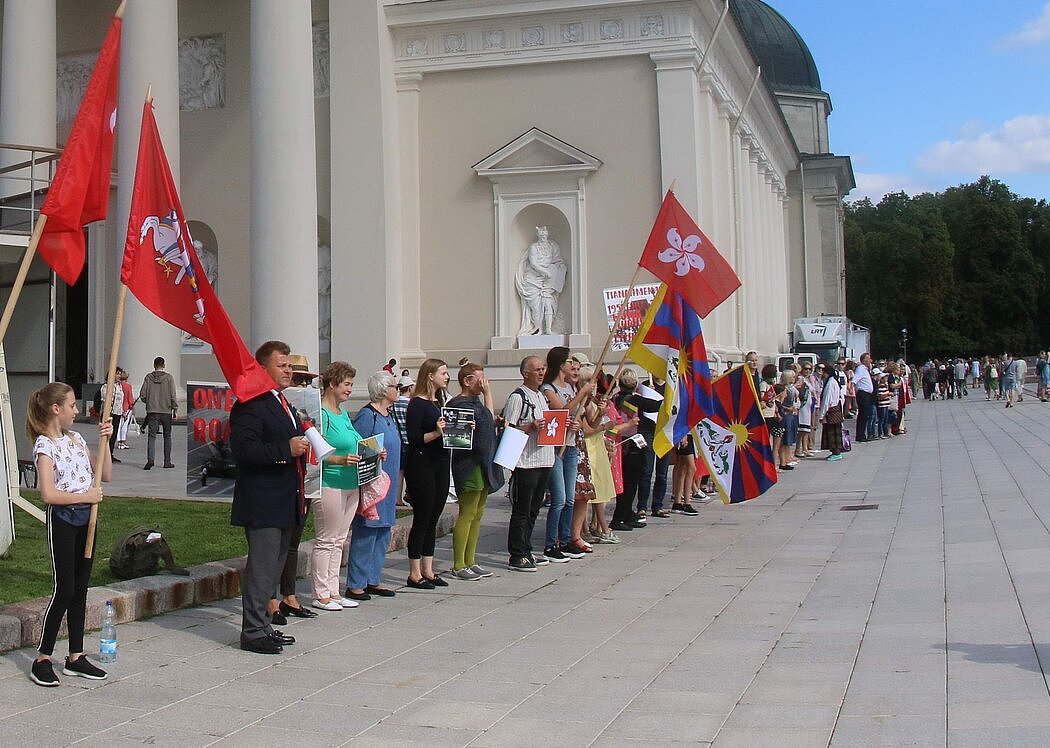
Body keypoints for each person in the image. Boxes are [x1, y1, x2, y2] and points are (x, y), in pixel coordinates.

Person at [26, 382, 113, 687]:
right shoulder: (44, 446)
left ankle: (76, 657)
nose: (77, 411)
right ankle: (42, 658)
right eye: (73, 406)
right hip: (63, 520)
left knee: (80, 589)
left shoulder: (76, 439)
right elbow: (48, 494)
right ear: (56, 409)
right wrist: (86, 497)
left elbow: (104, 475)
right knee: (64, 589)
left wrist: (105, 442)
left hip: (87, 522)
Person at [229, 340, 308, 654]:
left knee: (274, 568)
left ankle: (264, 625)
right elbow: (244, 450)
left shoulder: (281, 403)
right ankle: (252, 632)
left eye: (290, 366)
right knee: (262, 569)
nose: (289, 371)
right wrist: (284, 450)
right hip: (263, 501)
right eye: (282, 365)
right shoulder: (250, 403)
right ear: (262, 369)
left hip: (285, 499)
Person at [310, 361, 362, 611]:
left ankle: (334, 590)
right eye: (347, 384)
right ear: (332, 384)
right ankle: (321, 593)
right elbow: (313, 451)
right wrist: (339, 459)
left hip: (351, 481)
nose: (350, 389)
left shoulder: (342, 414)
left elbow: (355, 441)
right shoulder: (322, 414)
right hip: (330, 481)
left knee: (341, 539)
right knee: (326, 539)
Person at [445, 362, 504, 579]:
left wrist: (487, 395)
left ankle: (471, 559)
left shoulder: (476, 402)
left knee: (478, 513)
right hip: (468, 465)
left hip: (483, 463)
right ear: (467, 380)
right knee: (467, 512)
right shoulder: (458, 404)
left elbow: (488, 422)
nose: (483, 382)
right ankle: (459, 564)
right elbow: (457, 437)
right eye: (479, 378)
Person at [346, 370, 401, 600]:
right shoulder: (368, 416)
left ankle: (373, 578)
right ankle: (356, 583)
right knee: (367, 531)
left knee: (383, 530)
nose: (397, 390)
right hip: (373, 482)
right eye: (394, 386)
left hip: (389, 482)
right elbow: (360, 445)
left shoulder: (389, 415)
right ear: (383, 390)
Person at [539, 347, 593, 562]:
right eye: (570, 361)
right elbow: (562, 411)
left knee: (571, 498)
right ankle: (551, 544)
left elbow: (579, 416)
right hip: (555, 448)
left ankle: (566, 539)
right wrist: (580, 394)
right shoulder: (548, 389)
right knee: (559, 498)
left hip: (571, 446)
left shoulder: (570, 387)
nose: (573, 365)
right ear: (560, 363)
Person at [404, 358, 452, 589]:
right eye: (443, 372)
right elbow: (414, 439)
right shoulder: (417, 404)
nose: (447, 376)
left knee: (434, 517)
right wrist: (437, 432)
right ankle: (414, 573)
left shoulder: (439, 402)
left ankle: (428, 569)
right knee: (422, 517)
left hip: (441, 463)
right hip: (422, 464)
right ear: (430, 375)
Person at [504, 356, 554, 571]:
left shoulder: (541, 396)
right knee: (522, 509)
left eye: (543, 369)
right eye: (537, 369)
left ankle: (526, 547)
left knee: (534, 508)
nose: (541, 373)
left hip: (544, 458)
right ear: (525, 373)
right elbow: (508, 428)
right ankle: (517, 554)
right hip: (526, 461)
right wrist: (530, 426)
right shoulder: (518, 397)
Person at [516, 226, 567, 335]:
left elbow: (557, 261)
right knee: (536, 307)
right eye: (541, 235)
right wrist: (544, 271)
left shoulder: (552, 246)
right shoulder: (534, 247)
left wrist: (557, 271)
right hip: (532, 279)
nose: (543, 237)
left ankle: (548, 329)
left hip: (547, 281)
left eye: (545, 235)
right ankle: (538, 328)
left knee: (548, 304)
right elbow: (533, 263)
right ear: (538, 236)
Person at [140, 356, 177, 470]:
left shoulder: (148, 377)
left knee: (151, 437)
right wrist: (175, 408)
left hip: (152, 411)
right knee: (167, 436)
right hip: (166, 410)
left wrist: (149, 402)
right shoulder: (169, 378)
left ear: (154, 365)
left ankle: (150, 460)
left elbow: (142, 395)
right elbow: (173, 395)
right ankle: (167, 461)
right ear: (164, 365)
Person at [391, 374, 413, 506]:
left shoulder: (394, 403)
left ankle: (397, 498)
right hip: (408, 441)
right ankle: (407, 496)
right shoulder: (410, 405)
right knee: (408, 472)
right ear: (410, 388)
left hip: (397, 440)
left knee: (399, 472)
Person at [818, 362, 844, 461]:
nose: (822, 374)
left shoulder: (830, 383)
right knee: (834, 431)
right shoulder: (834, 381)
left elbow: (826, 400)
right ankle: (835, 452)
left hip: (831, 411)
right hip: (836, 409)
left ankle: (836, 452)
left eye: (823, 372)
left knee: (832, 433)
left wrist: (822, 415)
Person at [101, 371, 125, 464]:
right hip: (109, 413)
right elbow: (104, 399)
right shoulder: (106, 386)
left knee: (114, 434)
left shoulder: (119, 386)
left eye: (120, 374)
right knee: (107, 435)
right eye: (117, 374)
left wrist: (122, 411)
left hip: (117, 412)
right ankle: (105, 454)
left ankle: (110, 453)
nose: (119, 376)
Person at [852, 353, 874, 442]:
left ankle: (862, 434)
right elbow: (854, 380)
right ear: (864, 360)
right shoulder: (861, 369)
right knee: (863, 415)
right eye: (868, 358)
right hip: (863, 394)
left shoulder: (865, 369)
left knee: (865, 415)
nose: (870, 360)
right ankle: (860, 435)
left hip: (867, 394)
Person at [116, 368, 135, 450]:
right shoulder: (128, 386)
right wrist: (132, 407)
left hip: (118, 407)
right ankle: (123, 441)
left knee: (119, 425)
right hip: (127, 407)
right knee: (124, 426)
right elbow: (130, 398)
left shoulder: (118, 385)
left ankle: (119, 441)